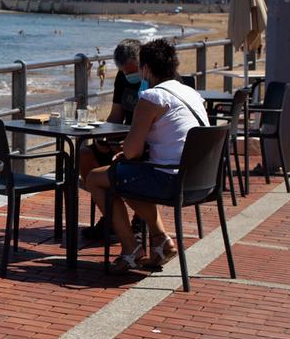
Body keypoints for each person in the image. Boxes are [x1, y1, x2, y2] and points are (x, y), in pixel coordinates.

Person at [85, 39, 209, 272]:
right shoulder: (191, 93)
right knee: (125, 174)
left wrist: (124, 151)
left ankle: (130, 248)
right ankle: (160, 240)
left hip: (170, 181)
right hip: (201, 181)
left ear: (147, 69)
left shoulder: (152, 97)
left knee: (95, 178)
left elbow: (132, 151)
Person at [78, 39, 142, 238]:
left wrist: (128, 144)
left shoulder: (154, 81)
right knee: (84, 154)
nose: (129, 75)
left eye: (133, 71)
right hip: (122, 139)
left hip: (143, 145)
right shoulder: (122, 78)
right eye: (125, 71)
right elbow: (116, 115)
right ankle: (113, 216)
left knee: (133, 159)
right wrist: (103, 138)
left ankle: (140, 220)